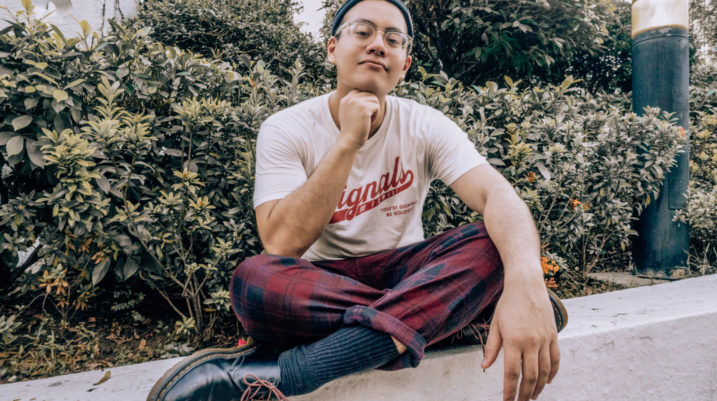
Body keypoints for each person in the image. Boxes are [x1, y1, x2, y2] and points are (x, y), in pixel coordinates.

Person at [147, 1, 568, 400]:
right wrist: (348, 141)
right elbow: (281, 243)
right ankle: (447, 318)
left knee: (491, 243)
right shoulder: (286, 127)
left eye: (393, 39)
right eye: (363, 32)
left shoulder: (424, 124)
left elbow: (497, 194)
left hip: (406, 274)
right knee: (254, 280)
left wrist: (526, 283)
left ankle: (293, 372)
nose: (378, 44)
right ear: (333, 49)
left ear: (404, 64)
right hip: (323, 283)